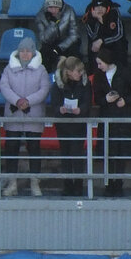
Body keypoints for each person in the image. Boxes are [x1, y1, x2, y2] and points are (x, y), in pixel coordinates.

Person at [0, 36, 51, 197]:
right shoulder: (8, 68)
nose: (25, 54)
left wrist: (28, 101)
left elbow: (44, 89)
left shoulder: (41, 69)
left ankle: (35, 182)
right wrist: (17, 100)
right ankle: (12, 183)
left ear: (33, 52)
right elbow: (4, 86)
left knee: (34, 148)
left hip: (33, 114)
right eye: (22, 51)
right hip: (13, 115)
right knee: (11, 149)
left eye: (28, 51)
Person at [92, 44, 131, 197]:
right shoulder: (99, 75)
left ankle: (118, 182)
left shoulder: (125, 72)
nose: (99, 66)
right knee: (108, 151)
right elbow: (96, 97)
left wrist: (125, 100)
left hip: (123, 116)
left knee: (121, 151)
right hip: (106, 116)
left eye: (100, 63)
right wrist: (105, 99)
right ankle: (108, 183)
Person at [51, 56, 92, 197]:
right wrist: (60, 109)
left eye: (81, 71)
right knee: (66, 155)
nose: (79, 74)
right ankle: (67, 185)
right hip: (63, 125)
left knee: (77, 155)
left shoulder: (86, 84)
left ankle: (79, 186)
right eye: (76, 71)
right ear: (68, 72)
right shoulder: (57, 84)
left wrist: (80, 110)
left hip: (79, 124)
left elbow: (87, 102)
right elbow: (54, 104)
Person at [34, 0, 82, 72]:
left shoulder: (69, 11)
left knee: (74, 51)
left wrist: (59, 49)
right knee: (44, 54)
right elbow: (43, 38)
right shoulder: (41, 15)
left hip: (67, 43)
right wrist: (53, 24)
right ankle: (45, 79)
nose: (53, 10)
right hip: (50, 43)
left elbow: (74, 35)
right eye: (51, 7)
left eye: (56, 7)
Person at [81, 0, 127, 68]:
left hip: (113, 43)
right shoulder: (89, 14)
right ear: (93, 8)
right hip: (97, 45)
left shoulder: (114, 12)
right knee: (92, 46)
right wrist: (98, 21)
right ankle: (93, 74)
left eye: (102, 7)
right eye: (97, 7)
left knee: (120, 45)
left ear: (107, 7)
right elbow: (92, 36)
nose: (100, 9)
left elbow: (119, 35)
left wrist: (102, 41)